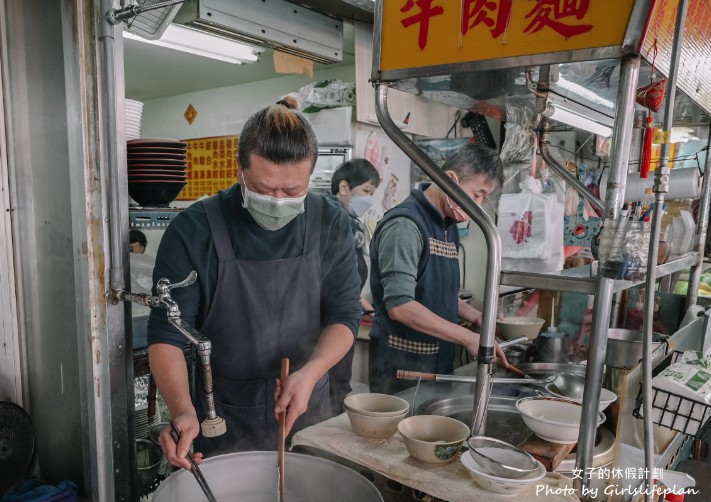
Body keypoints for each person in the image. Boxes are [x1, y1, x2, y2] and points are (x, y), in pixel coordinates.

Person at [150, 97, 360, 467]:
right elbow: (167, 335)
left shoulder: (330, 221)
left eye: (293, 192)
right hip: (221, 418)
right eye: (264, 189)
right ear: (239, 171)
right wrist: (182, 409)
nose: (278, 201)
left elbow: (344, 315)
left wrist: (310, 373)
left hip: (306, 410)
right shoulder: (194, 230)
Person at [368, 144, 507, 395]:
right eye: (477, 195)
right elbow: (400, 306)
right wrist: (467, 338)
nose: (479, 205)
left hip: (438, 360)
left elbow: (440, 295)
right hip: (402, 367)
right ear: (450, 179)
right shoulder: (405, 226)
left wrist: (477, 317)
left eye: (484, 198)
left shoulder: (447, 224)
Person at [325, 158, 380, 414]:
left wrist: (367, 307)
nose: (369, 199)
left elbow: (350, 281)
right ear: (344, 187)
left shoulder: (351, 225)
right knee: (333, 386)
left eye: (372, 193)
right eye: (366, 191)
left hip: (347, 315)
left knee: (339, 384)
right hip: (328, 323)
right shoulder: (331, 222)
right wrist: (362, 305)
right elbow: (333, 281)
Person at [129, 229, 155, 349]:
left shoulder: (117, 262)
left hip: (125, 320)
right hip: (145, 320)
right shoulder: (148, 262)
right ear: (138, 245)